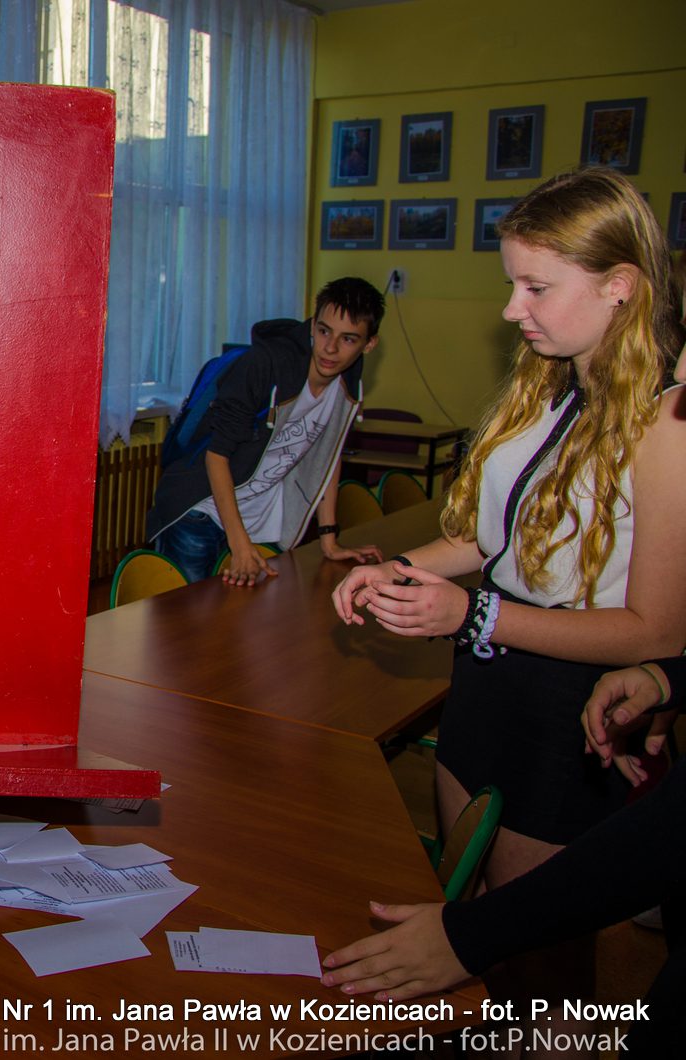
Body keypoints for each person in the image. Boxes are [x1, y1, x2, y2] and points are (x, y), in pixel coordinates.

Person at [331, 166, 686, 1023]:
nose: (510, 310)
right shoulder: (553, 385)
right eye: (511, 284)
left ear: (619, 286)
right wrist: (402, 566)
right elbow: (495, 541)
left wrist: (475, 612)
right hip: (487, 681)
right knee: (472, 898)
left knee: (538, 961)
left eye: (536, 287)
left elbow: (656, 631)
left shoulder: (666, 423)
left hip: (568, 709)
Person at [319, 656, 685, 1057]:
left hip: (555, 733)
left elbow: (659, 838)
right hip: (492, 701)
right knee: (508, 994)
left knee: (553, 983)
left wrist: (471, 935)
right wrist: (669, 679)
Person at [146, 277, 387, 585]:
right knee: (186, 614)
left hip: (258, 519)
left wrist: (329, 539)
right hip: (200, 510)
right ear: (312, 324)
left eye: (348, 339)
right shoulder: (265, 364)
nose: (330, 348)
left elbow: (329, 454)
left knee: (251, 613)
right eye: (324, 331)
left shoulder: (347, 384)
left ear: (369, 344)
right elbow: (216, 456)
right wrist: (238, 543)